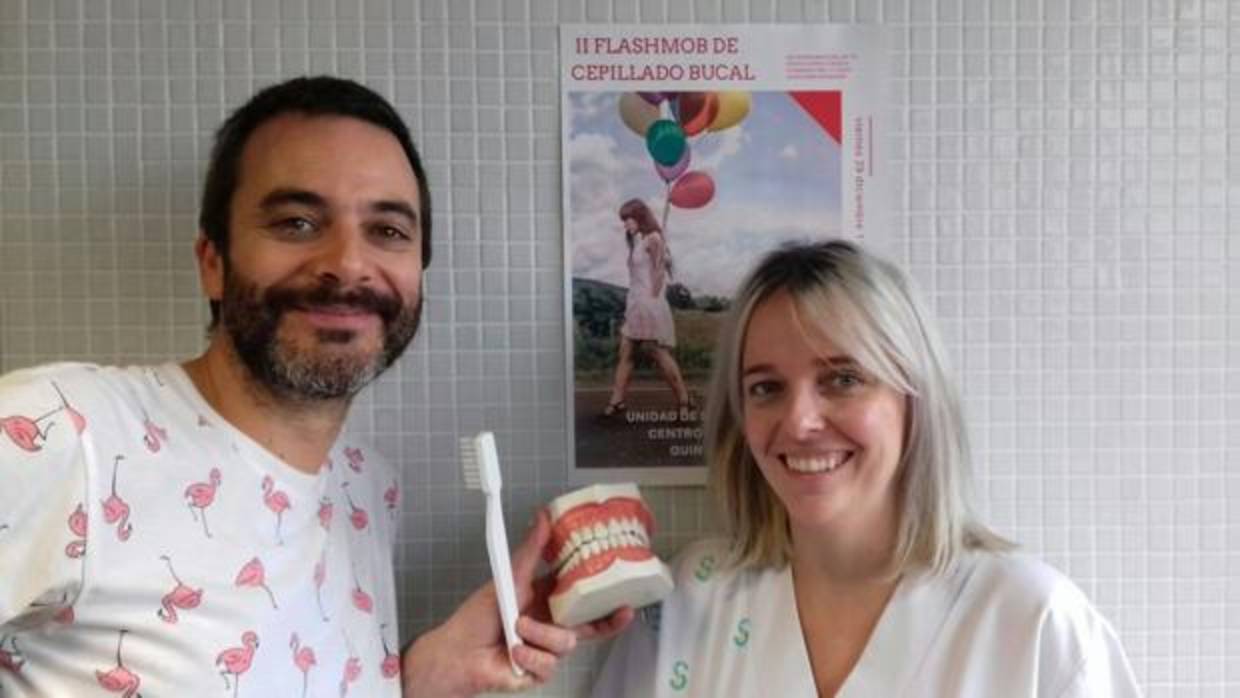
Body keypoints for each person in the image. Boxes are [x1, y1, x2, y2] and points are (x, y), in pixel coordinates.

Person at [0, 75, 629, 698]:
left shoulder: (367, 488)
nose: (348, 265)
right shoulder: (60, 436)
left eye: (388, 231)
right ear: (213, 263)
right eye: (297, 222)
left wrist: (419, 677)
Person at [592, 240, 1141, 697]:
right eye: (766, 387)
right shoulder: (686, 605)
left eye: (843, 379)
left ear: (915, 400)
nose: (799, 421)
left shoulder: (1034, 624)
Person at [601, 198, 691, 417]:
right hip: (635, 302)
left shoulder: (654, 238)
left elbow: (659, 273)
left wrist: (652, 298)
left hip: (648, 303)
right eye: (624, 220)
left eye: (628, 219)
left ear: (640, 218)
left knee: (656, 351)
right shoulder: (638, 241)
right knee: (626, 351)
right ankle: (617, 401)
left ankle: (684, 400)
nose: (625, 224)